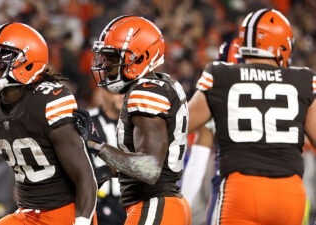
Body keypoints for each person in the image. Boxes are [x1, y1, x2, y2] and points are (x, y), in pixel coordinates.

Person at [187, 8, 316, 225]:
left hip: (241, 190)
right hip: (290, 194)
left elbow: (178, 124)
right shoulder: (304, 79)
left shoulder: (221, 75)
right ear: (284, 45)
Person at [0, 22, 97, 225]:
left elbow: (85, 178)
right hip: (26, 213)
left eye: (2, 56)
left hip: (63, 212)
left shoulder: (47, 102)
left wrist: (82, 221)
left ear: (28, 62)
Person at [74, 16, 191, 225]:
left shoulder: (145, 93)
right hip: (162, 205)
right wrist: (101, 172)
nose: (104, 64)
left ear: (141, 57)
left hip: (154, 205)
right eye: (104, 57)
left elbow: (148, 168)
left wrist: (94, 144)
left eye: (113, 57)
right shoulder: (162, 84)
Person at [181, 38, 242, 225]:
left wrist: (183, 209)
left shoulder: (218, 94)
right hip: (281, 186)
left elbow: (198, 150)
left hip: (231, 189)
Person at [88, 88, 126, 225]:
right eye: (116, 90)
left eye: (125, 90)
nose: (122, 95)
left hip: (130, 203)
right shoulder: (87, 122)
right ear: (102, 91)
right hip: (100, 204)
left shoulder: (136, 123)